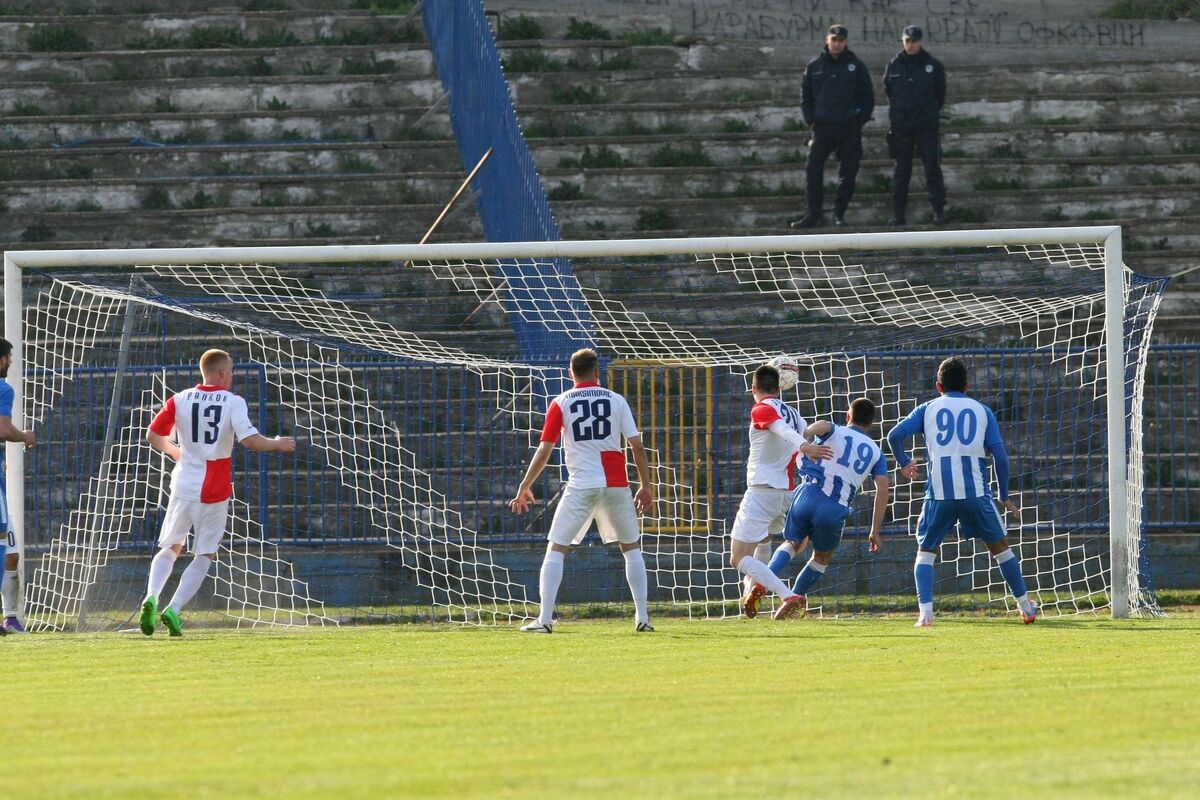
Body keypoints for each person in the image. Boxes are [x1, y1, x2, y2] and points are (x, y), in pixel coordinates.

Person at [139, 349, 295, 637]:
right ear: (222, 372)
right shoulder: (232, 401)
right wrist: (277, 443)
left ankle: (151, 597)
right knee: (205, 554)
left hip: (183, 484)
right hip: (214, 488)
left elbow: (152, 435)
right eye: (231, 371)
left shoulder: (180, 398)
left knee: (171, 547)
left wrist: (176, 452)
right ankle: (173, 609)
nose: (231, 376)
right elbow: (249, 440)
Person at [509, 348, 655, 633]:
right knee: (631, 548)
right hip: (616, 484)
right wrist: (646, 486)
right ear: (598, 372)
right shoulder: (616, 400)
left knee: (557, 548)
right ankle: (643, 618)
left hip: (582, 484)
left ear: (570, 373)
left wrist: (525, 486)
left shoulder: (561, 402)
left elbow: (544, 449)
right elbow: (637, 446)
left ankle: (545, 620)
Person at [886, 357, 1036, 627]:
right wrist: (1003, 495)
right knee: (1001, 548)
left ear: (938, 386)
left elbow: (894, 435)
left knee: (926, 551)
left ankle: (925, 614)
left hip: (939, 494)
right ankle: (1026, 607)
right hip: (975, 493)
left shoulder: (927, 409)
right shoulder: (982, 411)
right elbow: (1001, 457)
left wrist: (904, 462)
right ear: (967, 385)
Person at [761, 398, 889, 619]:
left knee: (793, 542)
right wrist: (874, 531)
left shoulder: (836, 429)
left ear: (848, 416)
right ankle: (793, 600)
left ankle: (762, 583)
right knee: (822, 556)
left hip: (807, 493)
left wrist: (806, 435)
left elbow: (822, 425)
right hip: (834, 506)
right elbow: (883, 489)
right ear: (870, 424)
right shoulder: (876, 452)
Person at [735, 364, 833, 620]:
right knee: (767, 540)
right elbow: (799, 433)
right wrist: (806, 447)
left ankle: (786, 594)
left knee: (738, 557)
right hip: (786, 493)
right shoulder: (795, 414)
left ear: (753, 389)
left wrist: (804, 446)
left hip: (761, 491)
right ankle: (752, 589)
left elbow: (782, 430)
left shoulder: (761, 408)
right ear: (778, 389)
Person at [789, 23, 875, 229]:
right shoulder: (814, 66)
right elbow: (806, 96)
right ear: (827, 40)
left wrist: (858, 121)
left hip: (848, 128)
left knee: (848, 172)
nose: (837, 44)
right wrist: (811, 119)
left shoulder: (856, 66)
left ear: (846, 42)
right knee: (813, 170)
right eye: (834, 40)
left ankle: (839, 213)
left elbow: (868, 97)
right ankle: (813, 214)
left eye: (841, 40)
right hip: (823, 127)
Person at [883, 25, 947, 226]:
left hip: (926, 125)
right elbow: (889, 91)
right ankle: (898, 215)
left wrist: (927, 112)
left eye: (914, 41)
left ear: (920, 42)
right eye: (907, 41)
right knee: (901, 172)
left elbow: (940, 94)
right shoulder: (894, 65)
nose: (910, 45)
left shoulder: (933, 65)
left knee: (932, 169)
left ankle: (938, 212)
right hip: (902, 127)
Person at [0, 338, 36, 636]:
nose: (11, 362)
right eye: (9, 357)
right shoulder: (3, 389)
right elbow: (2, 428)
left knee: (10, 552)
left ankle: (10, 618)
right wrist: (25, 435)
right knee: (1, 541)